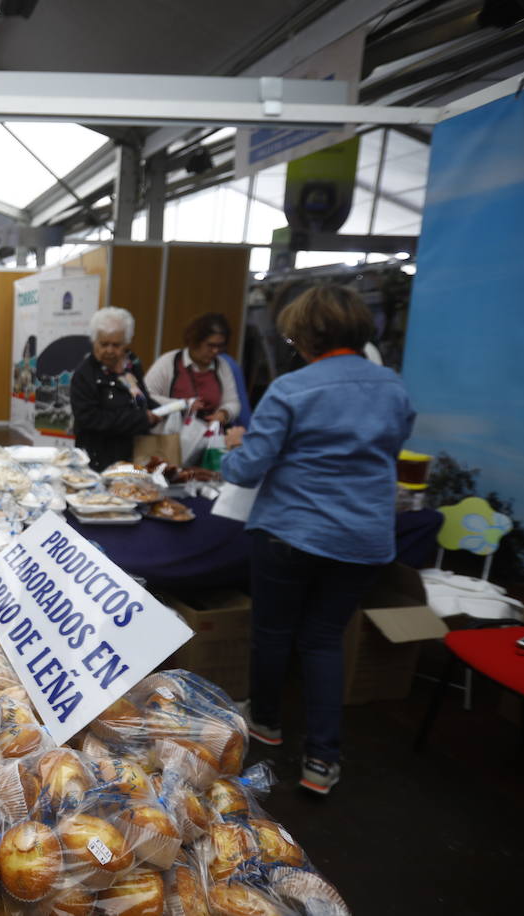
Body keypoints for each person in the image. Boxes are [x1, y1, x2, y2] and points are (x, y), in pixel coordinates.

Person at [221, 285, 415, 796]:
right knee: (323, 640)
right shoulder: (394, 389)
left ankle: (265, 722)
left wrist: (235, 443)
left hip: (291, 530)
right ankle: (322, 761)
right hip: (364, 537)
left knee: (274, 632)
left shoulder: (291, 390)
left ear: (306, 335)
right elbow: (390, 448)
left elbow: (244, 471)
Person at [69, 307, 158, 472]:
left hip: (136, 452)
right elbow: (90, 418)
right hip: (99, 458)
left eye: (116, 345)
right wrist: (140, 419)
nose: (109, 350)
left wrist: (160, 410)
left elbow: (141, 396)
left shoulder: (131, 364)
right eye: (104, 344)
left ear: (126, 342)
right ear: (94, 341)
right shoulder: (85, 374)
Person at [144, 312, 242, 426]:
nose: (216, 351)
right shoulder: (169, 362)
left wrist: (224, 413)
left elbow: (232, 402)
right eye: (210, 345)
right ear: (194, 341)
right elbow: (146, 397)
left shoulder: (222, 366)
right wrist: (182, 405)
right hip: (171, 435)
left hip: (208, 435)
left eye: (220, 346)